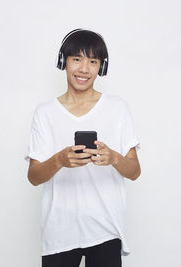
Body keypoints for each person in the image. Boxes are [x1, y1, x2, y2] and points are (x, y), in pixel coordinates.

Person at [25, 28, 141, 267]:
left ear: (101, 67)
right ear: (63, 62)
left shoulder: (118, 108)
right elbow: (34, 177)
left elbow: (135, 171)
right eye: (76, 59)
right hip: (59, 233)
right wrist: (59, 160)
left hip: (106, 230)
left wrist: (113, 158)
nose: (84, 69)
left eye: (93, 61)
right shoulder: (45, 113)